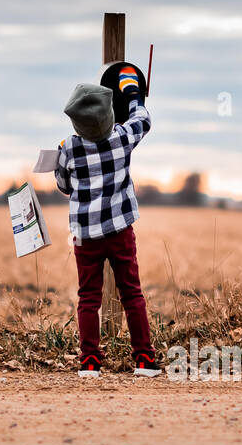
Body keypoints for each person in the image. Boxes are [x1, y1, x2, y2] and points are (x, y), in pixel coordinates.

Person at [54, 67, 161, 378]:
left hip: (85, 236)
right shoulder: (120, 139)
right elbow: (143, 120)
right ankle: (143, 358)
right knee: (132, 292)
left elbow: (63, 185)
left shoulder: (68, 147)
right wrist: (132, 90)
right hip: (120, 231)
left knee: (88, 297)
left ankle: (90, 361)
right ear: (109, 115)